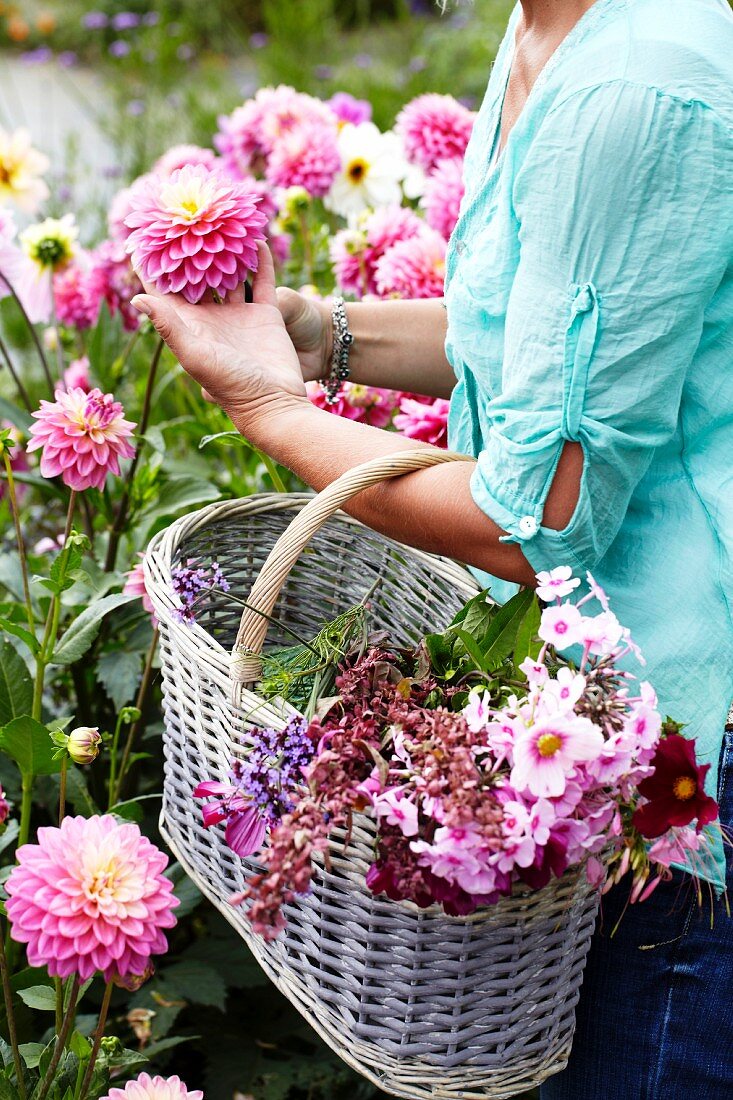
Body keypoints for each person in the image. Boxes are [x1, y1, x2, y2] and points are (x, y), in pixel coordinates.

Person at [131, 0, 733, 1094]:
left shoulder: (635, 86)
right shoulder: (551, 26)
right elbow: (530, 335)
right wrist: (321, 338)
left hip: (686, 764)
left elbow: (533, 519)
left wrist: (272, 411)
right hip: (596, 707)